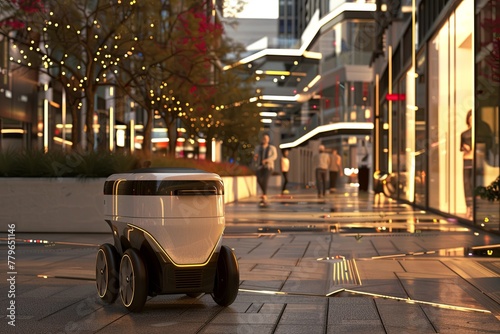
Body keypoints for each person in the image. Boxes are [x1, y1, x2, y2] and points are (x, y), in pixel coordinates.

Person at [253, 134, 277, 205]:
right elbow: (255, 155)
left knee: (265, 179)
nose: (265, 139)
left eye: (266, 138)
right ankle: (264, 193)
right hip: (260, 166)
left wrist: (267, 160)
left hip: (269, 166)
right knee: (258, 178)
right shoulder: (258, 148)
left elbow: (274, 156)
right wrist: (255, 157)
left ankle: (264, 195)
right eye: (264, 138)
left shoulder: (272, 148)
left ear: (268, 139)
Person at [460, 111, 473, 219]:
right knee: (466, 183)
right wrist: (465, 147)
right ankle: (468, 207)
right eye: (470, 118)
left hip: (476, 159)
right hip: (467, 159)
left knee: (474, 183)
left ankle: (474, 208)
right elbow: (461, 147)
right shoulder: (464, 134)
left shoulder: (479, 133)